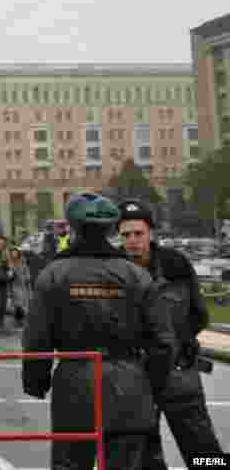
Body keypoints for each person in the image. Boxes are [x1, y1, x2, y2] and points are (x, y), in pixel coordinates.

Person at [22, 192, 176, 470]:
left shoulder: (53, 274)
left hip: (75, 382)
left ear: (72, 227)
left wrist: (36, 378)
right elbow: (163, 341)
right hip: (129, 384)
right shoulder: (136, 275)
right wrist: (149, 383)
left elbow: (37, 338)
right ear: (110, 229)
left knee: (70, 463)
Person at [116, 199, 224, 469]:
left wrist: (182, 341)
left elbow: (199, 314)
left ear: (151, 232)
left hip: (179, 374)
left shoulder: (176, 264)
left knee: (204, 451)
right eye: (125, 234)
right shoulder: (114, 269)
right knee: (145, 455)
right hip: (135, 378)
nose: (132, 240)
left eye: (138, 233)